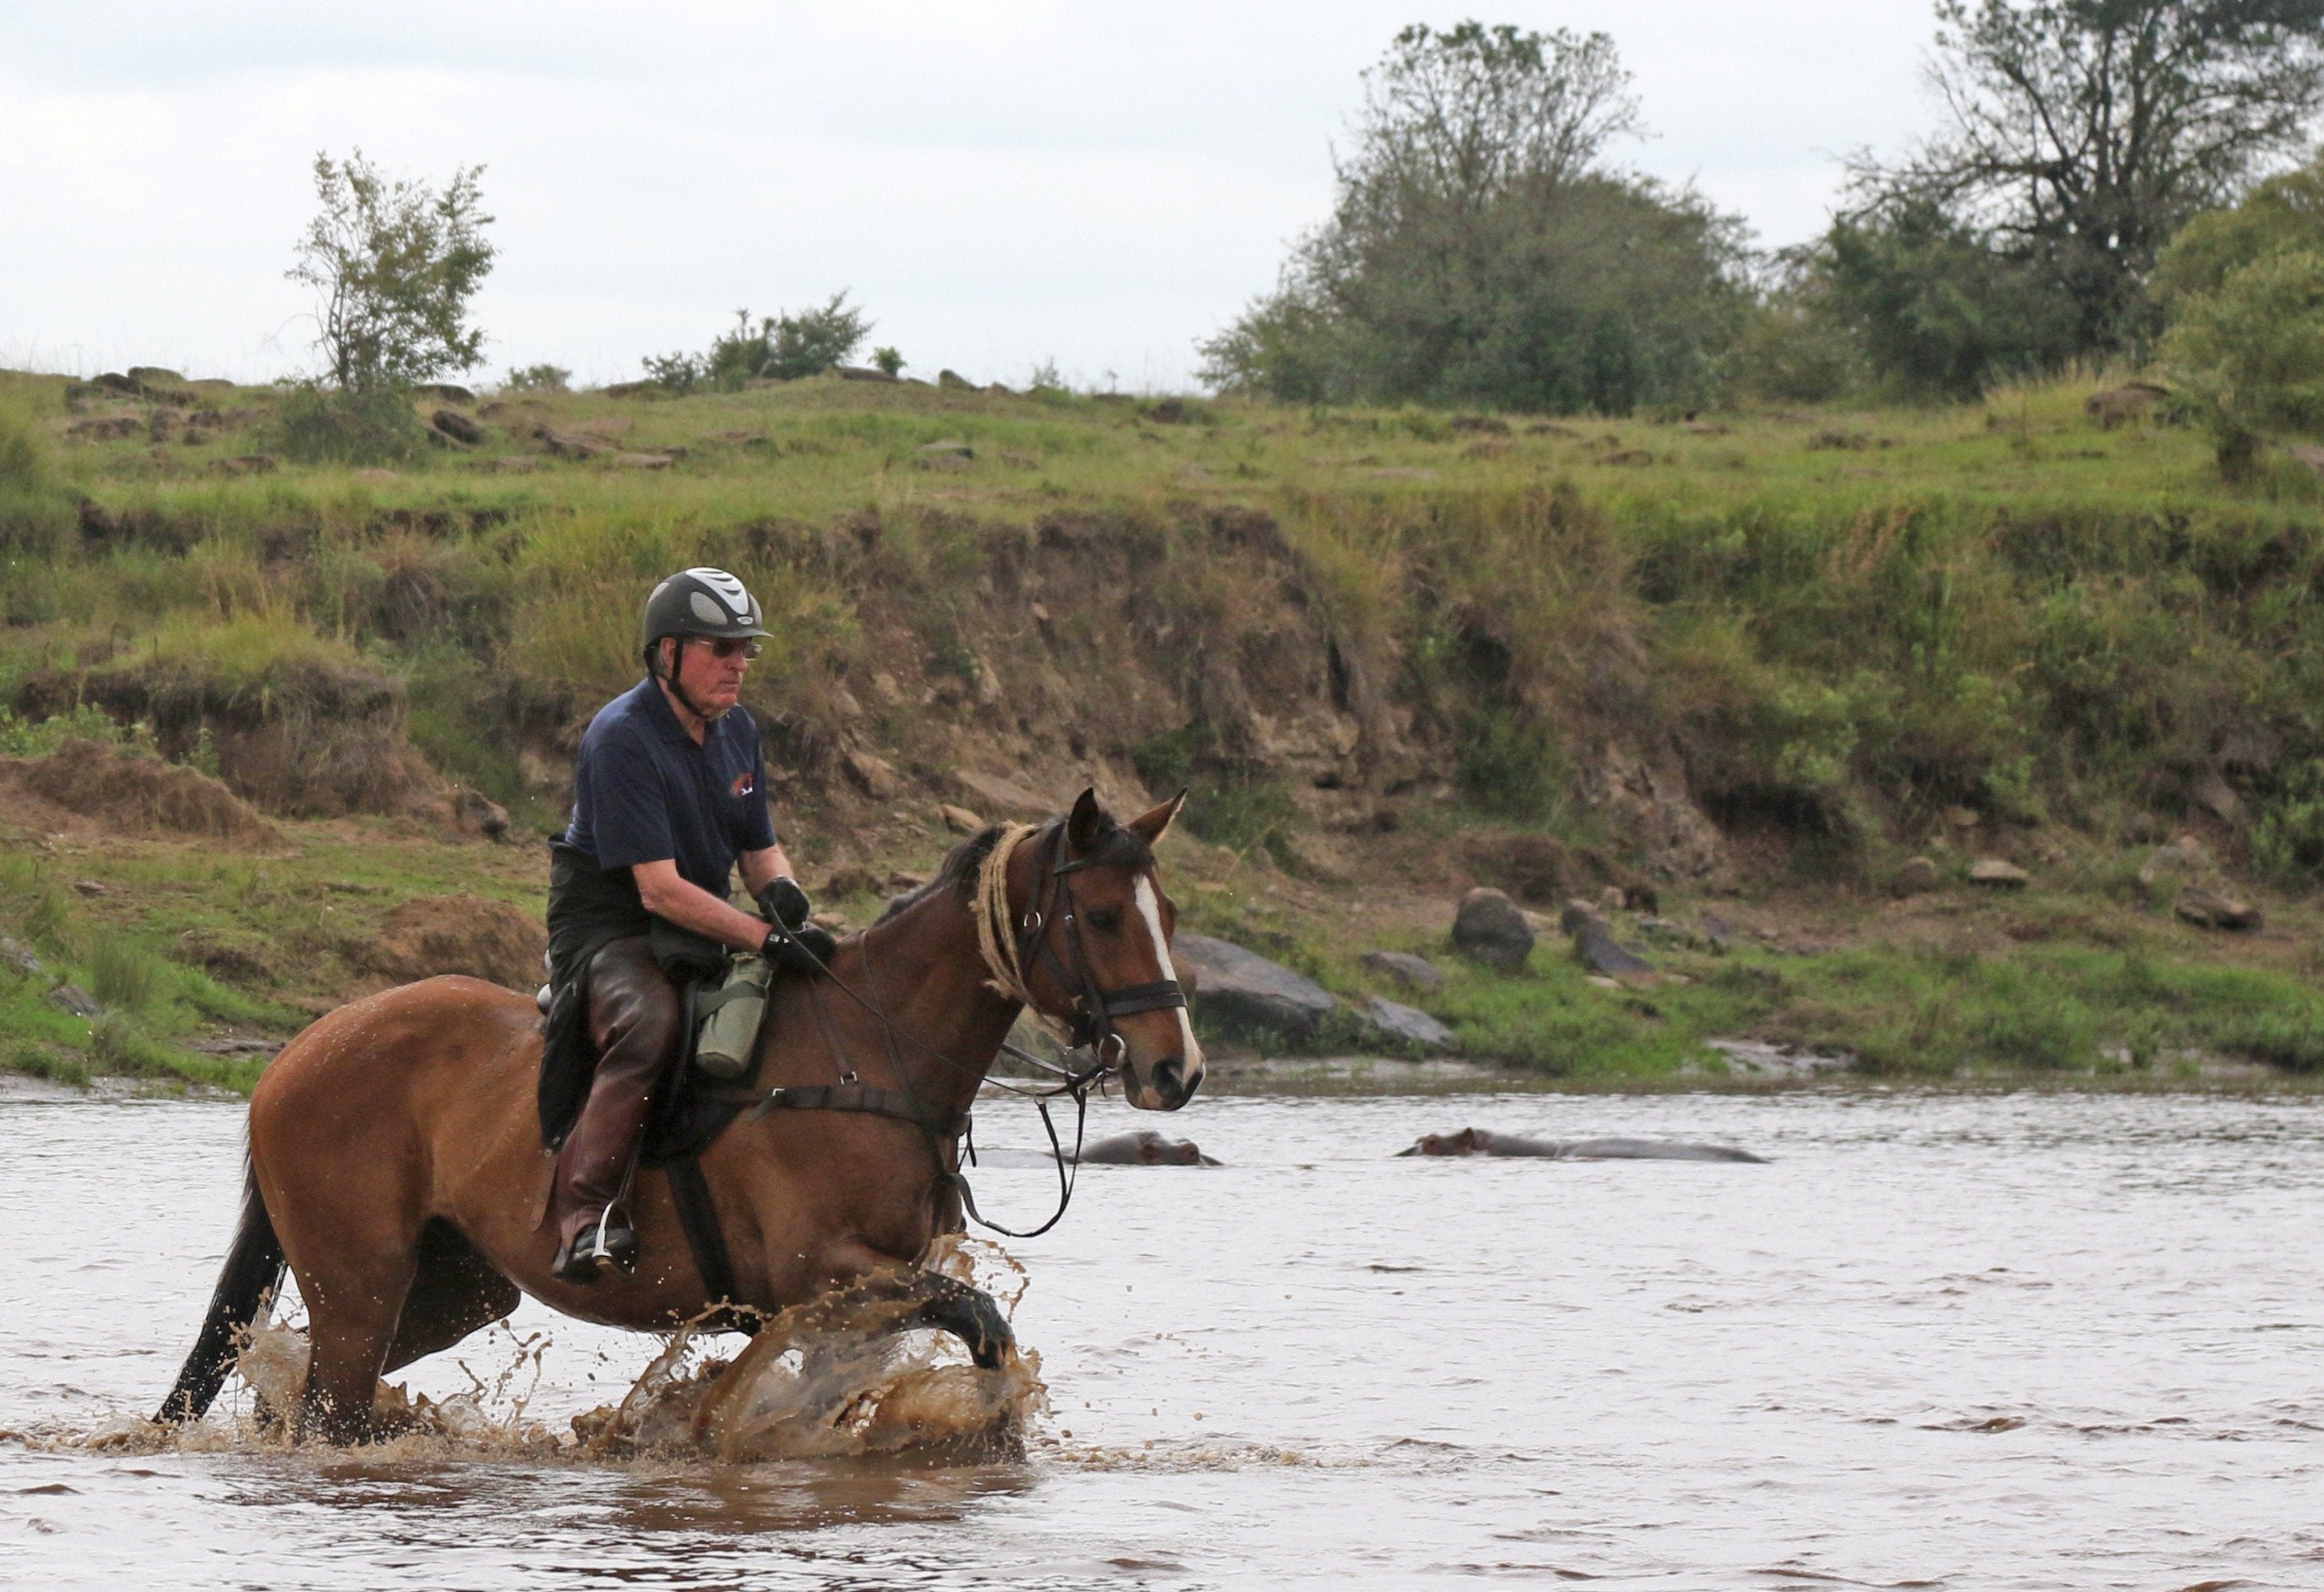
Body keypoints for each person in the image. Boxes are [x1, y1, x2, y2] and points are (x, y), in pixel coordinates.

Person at [542, 567, 826, 1284]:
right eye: (719, 649)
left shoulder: (738, 732)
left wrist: (785, 894)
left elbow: (757, 848)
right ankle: (587, 1212)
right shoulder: (622, 738)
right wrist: (762, 938)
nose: (738, 665)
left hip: (696, 921)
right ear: (667, 653)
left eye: (744, 651)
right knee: (652, 1023)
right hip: (611, 929)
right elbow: (659, 890)